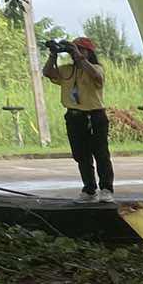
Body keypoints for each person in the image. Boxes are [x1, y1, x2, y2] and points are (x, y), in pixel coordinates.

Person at [43, 36, 114, 201]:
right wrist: (53, 55)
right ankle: (89, 189)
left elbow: (97, 76)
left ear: (88, 52)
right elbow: (47, 72)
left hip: (94, 116)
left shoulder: (96, 68)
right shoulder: (67, 70)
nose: (75, 53)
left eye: (80, 49)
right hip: (74, 116)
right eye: (75, 49)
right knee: (81, 155)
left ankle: (106, 188)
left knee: (101, 153)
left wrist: (78, 56)